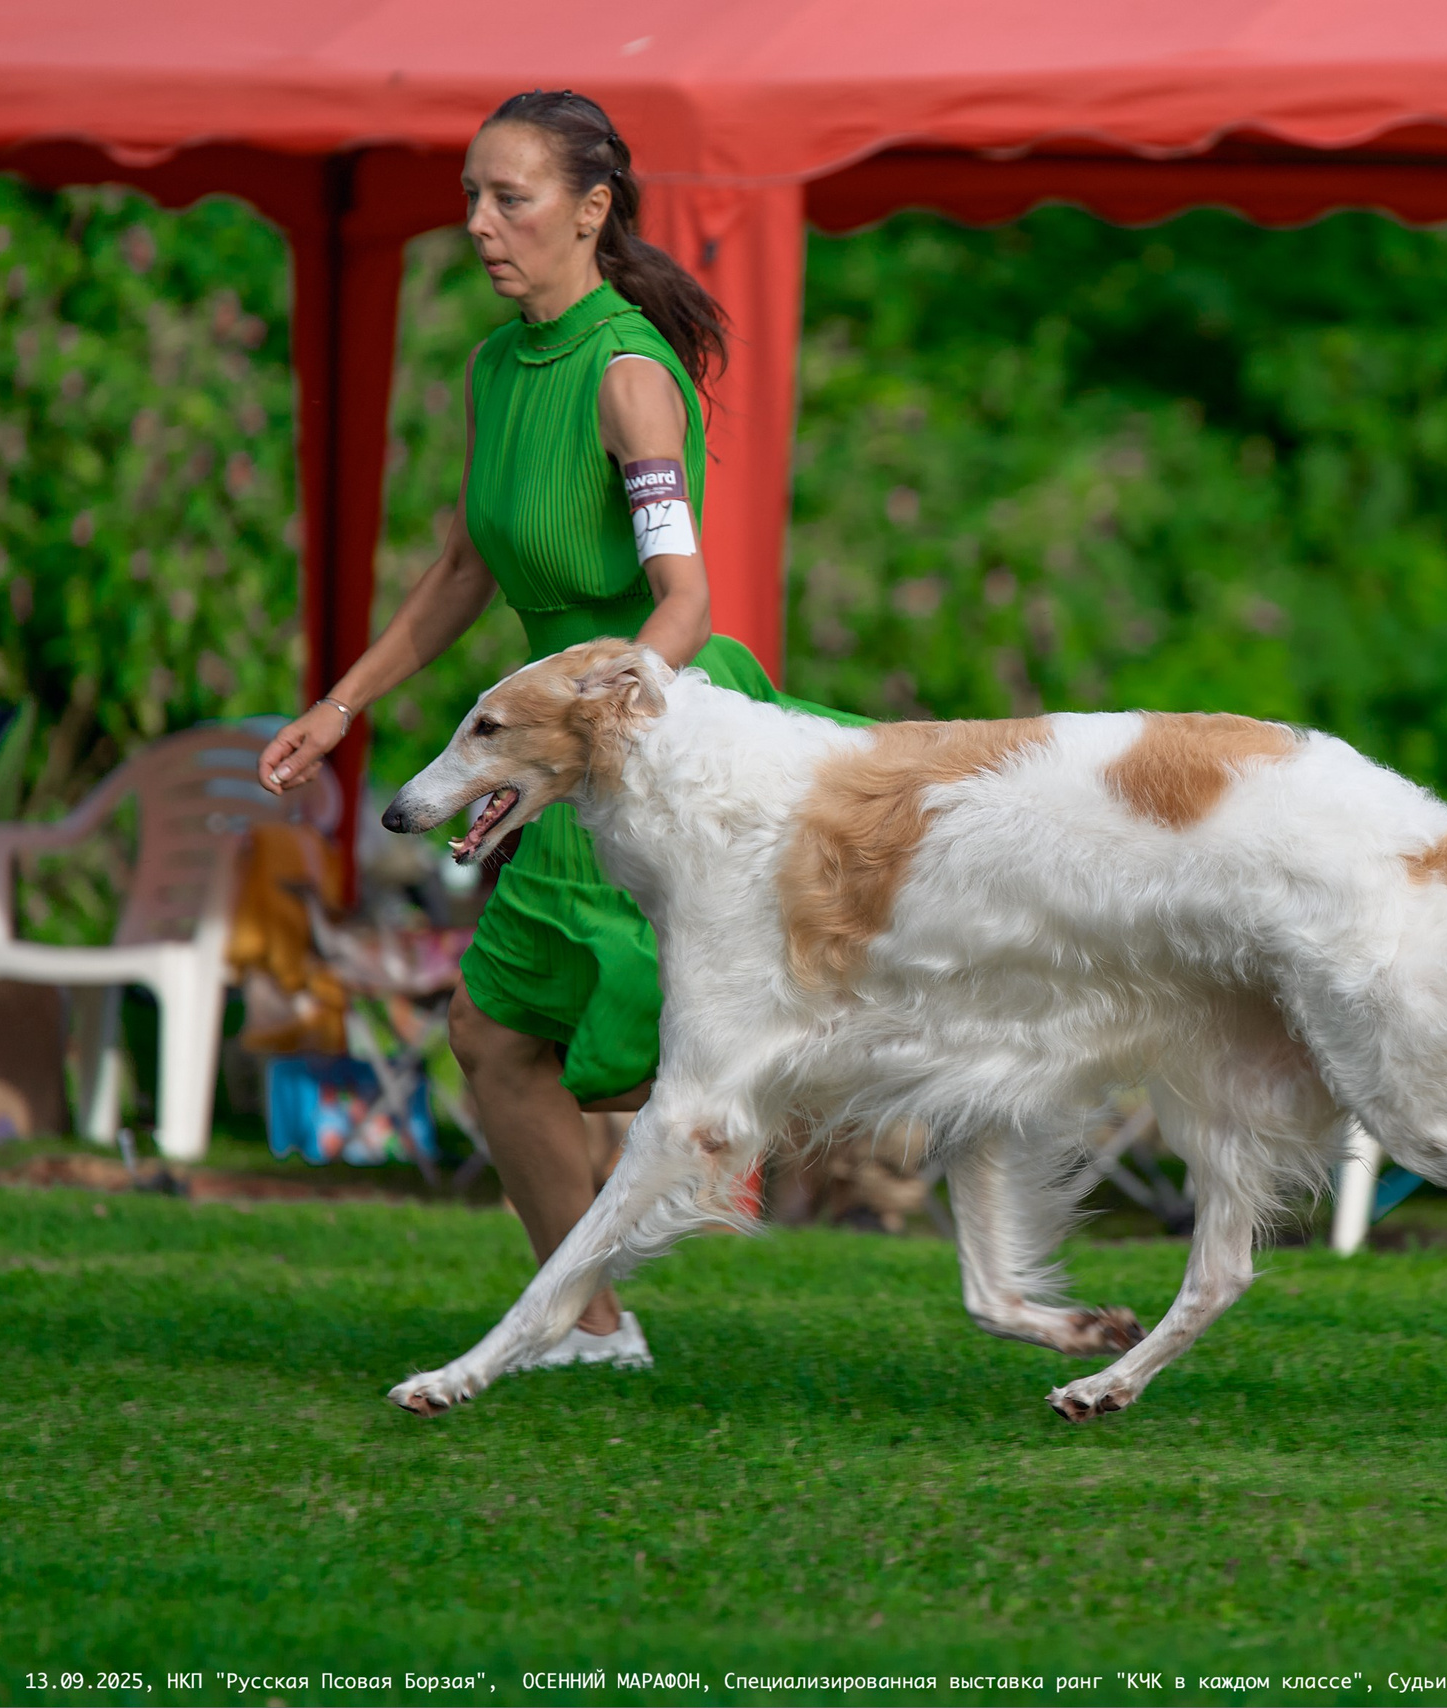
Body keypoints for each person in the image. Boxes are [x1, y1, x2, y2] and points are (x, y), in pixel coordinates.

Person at [256, 90, 865, 1368]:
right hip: (566, 754)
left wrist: (601, 723)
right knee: (496, 1038)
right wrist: (340, 702)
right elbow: (466, 570)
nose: (480, 224)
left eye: (510, 198)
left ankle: (845, 1095)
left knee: (652, 1039)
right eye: (470, 197)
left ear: (590, 212)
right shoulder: (495, 367)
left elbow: (684, 604)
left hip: (646, 737)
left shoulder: (627, 374)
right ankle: (589, 1323)